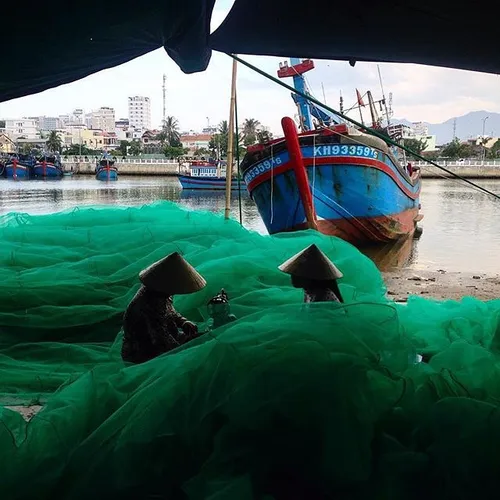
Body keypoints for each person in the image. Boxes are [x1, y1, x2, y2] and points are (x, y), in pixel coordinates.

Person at [121, 252, 206, 364]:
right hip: (143, 350)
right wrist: (182, 352)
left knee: (202, 338)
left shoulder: (161, 293)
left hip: (166, 336)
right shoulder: (149, 303)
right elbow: (160, 337)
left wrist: (183, 322)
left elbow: (170, 311)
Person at [279, 244, 344, 303]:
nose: (292, 278)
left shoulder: (321, 296)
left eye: (297, 275)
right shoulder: (309, 290)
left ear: (309, 277)